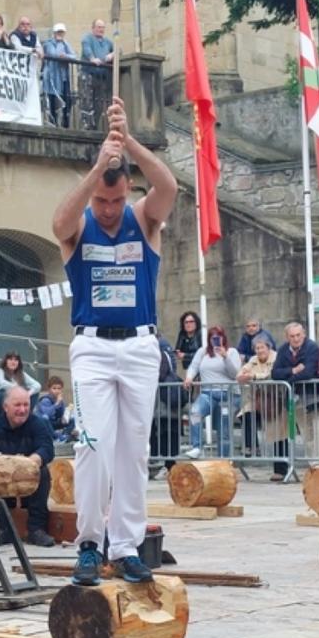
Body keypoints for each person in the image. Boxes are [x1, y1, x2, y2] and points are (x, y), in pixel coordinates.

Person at [51, 95, 177, 586]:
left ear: (127, 193)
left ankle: (125, 546)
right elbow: (59, 222)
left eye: (115, 200)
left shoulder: (144, 218)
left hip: (140, 346)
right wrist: (98, 165)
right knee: (93, 445)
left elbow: (167, 184)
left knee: (133, 450)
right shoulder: (80, 226)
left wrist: (129, 143)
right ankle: (88, 543)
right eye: (101, 201)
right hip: (93, 347)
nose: (107, 210)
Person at [0, 385, 56, 548]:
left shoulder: (38, 424)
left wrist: (34, 460)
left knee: (44, 472)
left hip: (30, 483)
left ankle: (36, 529)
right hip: (3, 486)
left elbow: (47, 448)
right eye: (17, 405)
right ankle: (2, 529)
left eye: (26, 405)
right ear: (6, 407)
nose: (22, 410)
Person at [270, 321, 319, 478]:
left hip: (315, 396)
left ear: (304, 334)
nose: (296, 339)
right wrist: (293, 370)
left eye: (298, 335)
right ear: (287, 337)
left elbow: (309, 372)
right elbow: (275, 374)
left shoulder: (312, 347)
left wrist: (289, 380)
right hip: (297, 398)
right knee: (307, 435)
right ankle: (313, 467)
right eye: (292, 336)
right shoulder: (282, 350)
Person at [183, 325, 241, 459]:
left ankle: (223, 459)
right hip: (208, 393)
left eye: (218, 337)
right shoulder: (202, 352)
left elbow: (235, 374)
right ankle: (196, 446)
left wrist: (225, 357)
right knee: (194, 413)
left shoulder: (232, 352)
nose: (215, 340)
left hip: (228, 394)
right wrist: (189, 377)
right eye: (212, 338)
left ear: (223, 338)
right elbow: (193, 366)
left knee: (223, 428)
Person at [236, 336, 282, 468]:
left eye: (262, 347)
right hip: (258, 398)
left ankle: (280, 465)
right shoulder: (253, 359)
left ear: (269, 347)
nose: (259, 350)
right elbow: (243, 371)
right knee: (246, 413)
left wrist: (254, 376)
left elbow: (272, 374)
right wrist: (241, 375)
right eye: (257, 348)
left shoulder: (276, 358)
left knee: (278, 432)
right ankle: (251, 446)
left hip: (276, 398)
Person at [149, 333, 183, 476]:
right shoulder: (161, 350)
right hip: (161, 403)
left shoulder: (161, 352)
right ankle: (164, 465)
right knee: (160, 433)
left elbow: (162, 373)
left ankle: (167, 466)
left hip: (163, 402)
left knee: (166, 433)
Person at [79, 19, 113, 130]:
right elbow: (87, 50)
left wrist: (112, 55)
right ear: (93, 28)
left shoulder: (107, 41)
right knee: (87, 102)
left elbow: (119, 49)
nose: (101, 29)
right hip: (88, 75)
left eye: (103, 27)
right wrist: (93, 59)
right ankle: (87, 128)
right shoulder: (87, 38)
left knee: (98, 104)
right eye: (99, 27)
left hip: (101, 77)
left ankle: (95, 127)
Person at [41, 24, 76, 128]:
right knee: (53, 101)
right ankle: (53, 123)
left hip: (63, 78)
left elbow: (74, 56)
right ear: (54, 33)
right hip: (52, 78)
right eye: (58, 32)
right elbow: (54, 54)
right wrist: (64, 54)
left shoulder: (66, 44)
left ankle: (65, 123)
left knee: (66, 101)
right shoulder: (48, 44)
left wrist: (65, 56)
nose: (60, 34)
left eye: (62, 32)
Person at [37, 375, 76, 442]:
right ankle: (56, 437)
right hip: (46, 424)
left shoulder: (60, 400)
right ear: (49, 389)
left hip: (55, 423)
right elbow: (47, 414)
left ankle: (65, 435)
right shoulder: (45, 400)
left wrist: (66, 415)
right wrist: (56, 404)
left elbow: (61, 415)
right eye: (54, 388)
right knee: (45, 418)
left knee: (72, 419)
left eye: (59, 388)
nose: (57, 391)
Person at [174, 310, 202, 375]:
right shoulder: (182, 334)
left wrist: (185, 355)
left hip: (200, 368)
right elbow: (178, 349)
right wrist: (177, 352)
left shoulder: (201, 334)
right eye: (186, 322)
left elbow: (202, 354)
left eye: (191, 321)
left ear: (196, 323)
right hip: (187, 368)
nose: (188, 324)